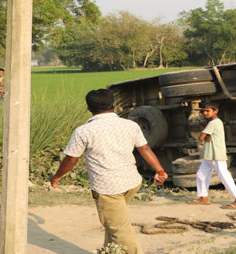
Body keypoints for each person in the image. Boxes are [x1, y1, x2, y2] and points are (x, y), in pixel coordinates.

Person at [50, 89, 168, 254]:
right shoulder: (130, 125)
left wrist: (56, 177)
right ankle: (109, 251)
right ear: (114, 105)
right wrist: (160, 170)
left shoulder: (83, 131)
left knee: (119, 228)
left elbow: (71, 159)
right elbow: (145, 148)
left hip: (108, 188)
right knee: (115, 221)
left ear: (89, 109)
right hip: (131, 182)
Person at [187, 101, 236, 209]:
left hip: (216, 155)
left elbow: (200, 137)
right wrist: (205, 137)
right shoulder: (215, 123)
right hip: (210, 155)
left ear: (216, 111)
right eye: (203, 111)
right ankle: (203, 198)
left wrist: (204, 137)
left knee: (224, 177)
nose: (205, 113)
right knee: (201, 174)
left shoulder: (213, 123)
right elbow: (203, 137)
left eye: (208, 111)